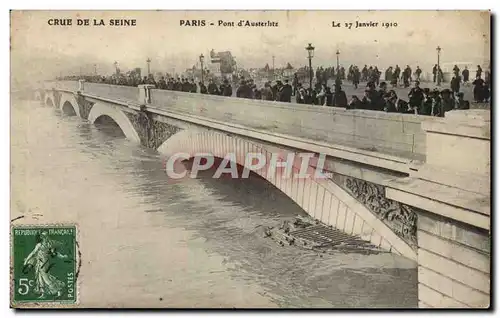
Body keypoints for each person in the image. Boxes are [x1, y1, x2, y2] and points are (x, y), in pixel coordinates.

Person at [23, 231, 68, 299]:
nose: (44, 237)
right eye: (43, 236)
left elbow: (55, 253)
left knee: (46, 278)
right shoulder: (44, 244)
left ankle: (59, 290)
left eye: (45, 236)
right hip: (40, 263)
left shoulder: (45, 245)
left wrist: (62, 256)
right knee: (40, 278)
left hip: (44, 263)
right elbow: (33, 253)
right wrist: (27, 260)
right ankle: (43, 294)